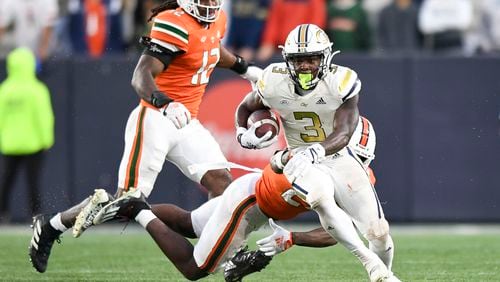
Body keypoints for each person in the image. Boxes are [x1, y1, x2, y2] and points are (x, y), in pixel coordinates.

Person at [28, 0, 262, 273]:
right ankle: (52, 225)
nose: (210, 4)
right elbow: (141, 75)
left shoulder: (217, 19)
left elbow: (210, 49)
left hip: (187, 122)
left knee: (223, 185)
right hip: (156, 117)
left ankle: (220, 250)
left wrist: (244, 68)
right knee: (124, 201)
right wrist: (165, 102)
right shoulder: (174, 23)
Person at [235, 23, 397, 280]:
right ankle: (371, 265)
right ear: (288, 60)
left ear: (326, 58)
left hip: (338, 155)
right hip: (300, 159)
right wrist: (242, 133)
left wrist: (317, 151)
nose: (305, 66)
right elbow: (245, 107)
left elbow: (343, 133)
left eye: (312, 59)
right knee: (320, 197)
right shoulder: (273, 81)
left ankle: (384, 272)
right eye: (298, 60)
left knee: (378, 232)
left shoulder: (341, 81)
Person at [0, 47, 55, 223]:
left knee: (6, 180)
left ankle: (3, 213)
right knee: (33, 182)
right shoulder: (37, 89)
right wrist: (47, 139)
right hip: (34, 144)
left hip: (10, 143)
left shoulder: (4, 90)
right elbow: (44, 117)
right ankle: (36, 216)